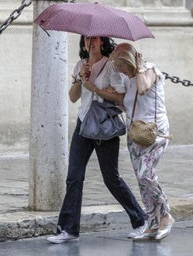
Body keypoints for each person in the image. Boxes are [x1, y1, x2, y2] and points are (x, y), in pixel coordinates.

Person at [46, 36, 148, 244]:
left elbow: (120, 98)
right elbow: (73, 97)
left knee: (111, 179)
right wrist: (80, 80)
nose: (89, 42)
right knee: (74, 177)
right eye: (86, 39)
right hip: (83, 125)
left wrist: (94, 88)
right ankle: (68, 229)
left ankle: (141, 220)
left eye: (94, 39)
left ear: (102, 42)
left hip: (103, 126)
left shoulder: (110, 66)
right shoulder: (80, 65)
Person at [110, 42, 174, 241]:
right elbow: (128, 104)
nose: (120, 70)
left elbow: (144, 88)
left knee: (147, 174)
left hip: (154, 132)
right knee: (141, 178)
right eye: (117, 67)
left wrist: (138, 69)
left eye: (121, 66)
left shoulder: (150, 70)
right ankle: (152, 222)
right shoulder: (127, 80)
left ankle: (165, 215)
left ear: (129, 61)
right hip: (136, 134)